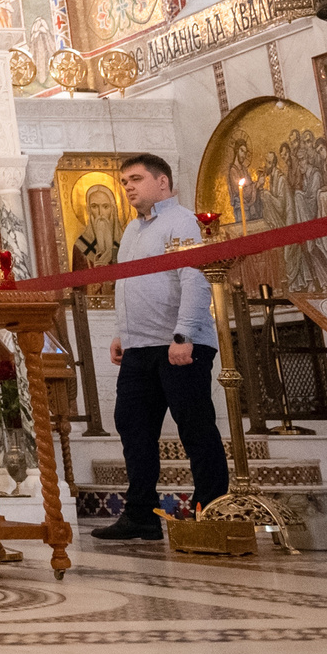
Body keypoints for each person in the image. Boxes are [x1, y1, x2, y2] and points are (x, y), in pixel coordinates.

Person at [95, 154, 227, 541]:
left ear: (163, 182)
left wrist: (183, 335)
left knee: (195, 427)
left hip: (179, 344)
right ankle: (141, 515)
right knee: (133, 428)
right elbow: (126, 285)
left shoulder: (183, 221)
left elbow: (194, 280)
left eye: (136, 179)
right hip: (139, 347)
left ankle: (210, 511)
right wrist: (122, 333)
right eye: (124, 182)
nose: (128, 187)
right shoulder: (131, 230)